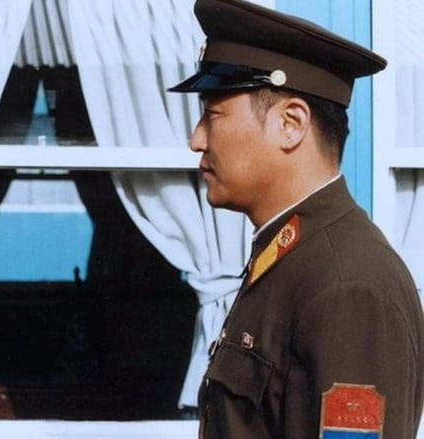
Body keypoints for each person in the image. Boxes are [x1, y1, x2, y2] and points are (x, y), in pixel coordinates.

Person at [169, 0, 424, 438]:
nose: (196, 140)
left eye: (212, 114)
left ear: (291, 124)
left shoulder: (348, 287)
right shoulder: (293, 258)